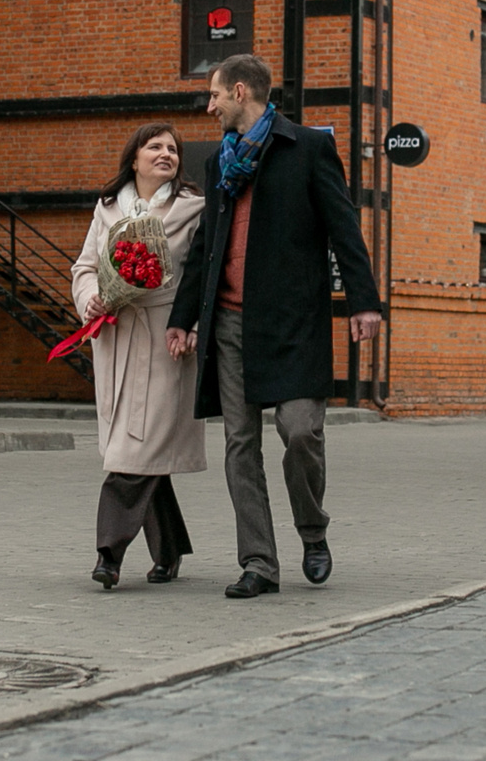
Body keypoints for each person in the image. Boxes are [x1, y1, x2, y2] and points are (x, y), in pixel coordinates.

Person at [164, 54, 384, 599]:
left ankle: (312, 531)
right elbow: (204, 251)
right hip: (230, 326)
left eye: (215, 95)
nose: (209, 106)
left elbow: (344, 229)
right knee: (240, 444)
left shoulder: (307, 148)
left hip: (293, 324)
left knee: (301, 431)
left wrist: (364, 302)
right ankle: (259, 562)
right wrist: (183, 317)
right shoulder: (219, 163)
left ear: (241, 91)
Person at [71, 123, 209, 589]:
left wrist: (188, 325)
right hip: (116, 337)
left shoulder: (194, 209)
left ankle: (109, 553)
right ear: (134, 158)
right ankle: (168, 550)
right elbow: (86, 266)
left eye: (173, 149)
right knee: (142, 448)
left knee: (135, 449)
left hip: (165, 338)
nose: (166, 154)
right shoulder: (108, 208)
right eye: (155, 146)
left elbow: (200, 278)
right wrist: (91, 297)